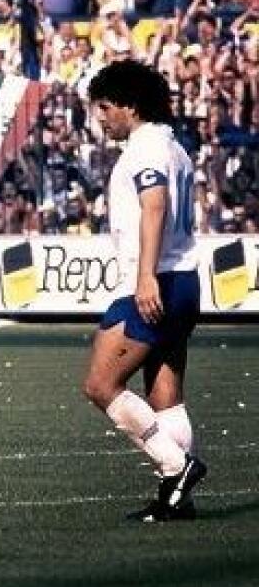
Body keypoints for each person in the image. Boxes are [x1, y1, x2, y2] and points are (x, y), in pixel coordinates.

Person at [82, 60, 206, 522]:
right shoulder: (174, 147)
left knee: (101, 384)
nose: (100, 117)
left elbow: (154, 206)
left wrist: (146, 276)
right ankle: (177, 500)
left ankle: (177, 468)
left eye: (105, 107)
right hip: (184, 279)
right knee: (165, 396)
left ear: (130, 106)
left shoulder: (147, 147)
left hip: (158, 279)